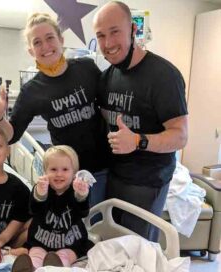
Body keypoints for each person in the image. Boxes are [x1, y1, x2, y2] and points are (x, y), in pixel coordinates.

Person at [0, 13, 109, 208]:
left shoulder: (86, 68)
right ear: (31, 51)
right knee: (73, 231)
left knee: (101, 227)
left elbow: (107, 106)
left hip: (101, 168)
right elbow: (11, 135)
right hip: (64, 174)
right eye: (37, 42)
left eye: (50, 38)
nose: (45, 47)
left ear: (61, 40)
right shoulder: (32, 90)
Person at [93, 1, 188, 242]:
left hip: (148, 182)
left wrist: (137, 140)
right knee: (113, 248)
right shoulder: (106, 78)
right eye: (101, 35)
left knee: (138, 253)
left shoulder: (163, 76)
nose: (108, 44)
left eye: (115, 32)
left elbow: (180, 135)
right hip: (113, 177)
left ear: (133, 30)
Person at [11, 145, 92, 272]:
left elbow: (83, 211)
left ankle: (58, 268)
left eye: (65, 169)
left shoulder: (76, 190)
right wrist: (40, 193)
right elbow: (34, 209)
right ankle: (31, 268)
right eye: (53, 169)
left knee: (65, 255)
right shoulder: (42, 188)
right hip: (41, 240)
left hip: (70, 242)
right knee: (36, 254)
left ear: (74, 174)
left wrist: (81, 195)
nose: (59, 174)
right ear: (45, 172)